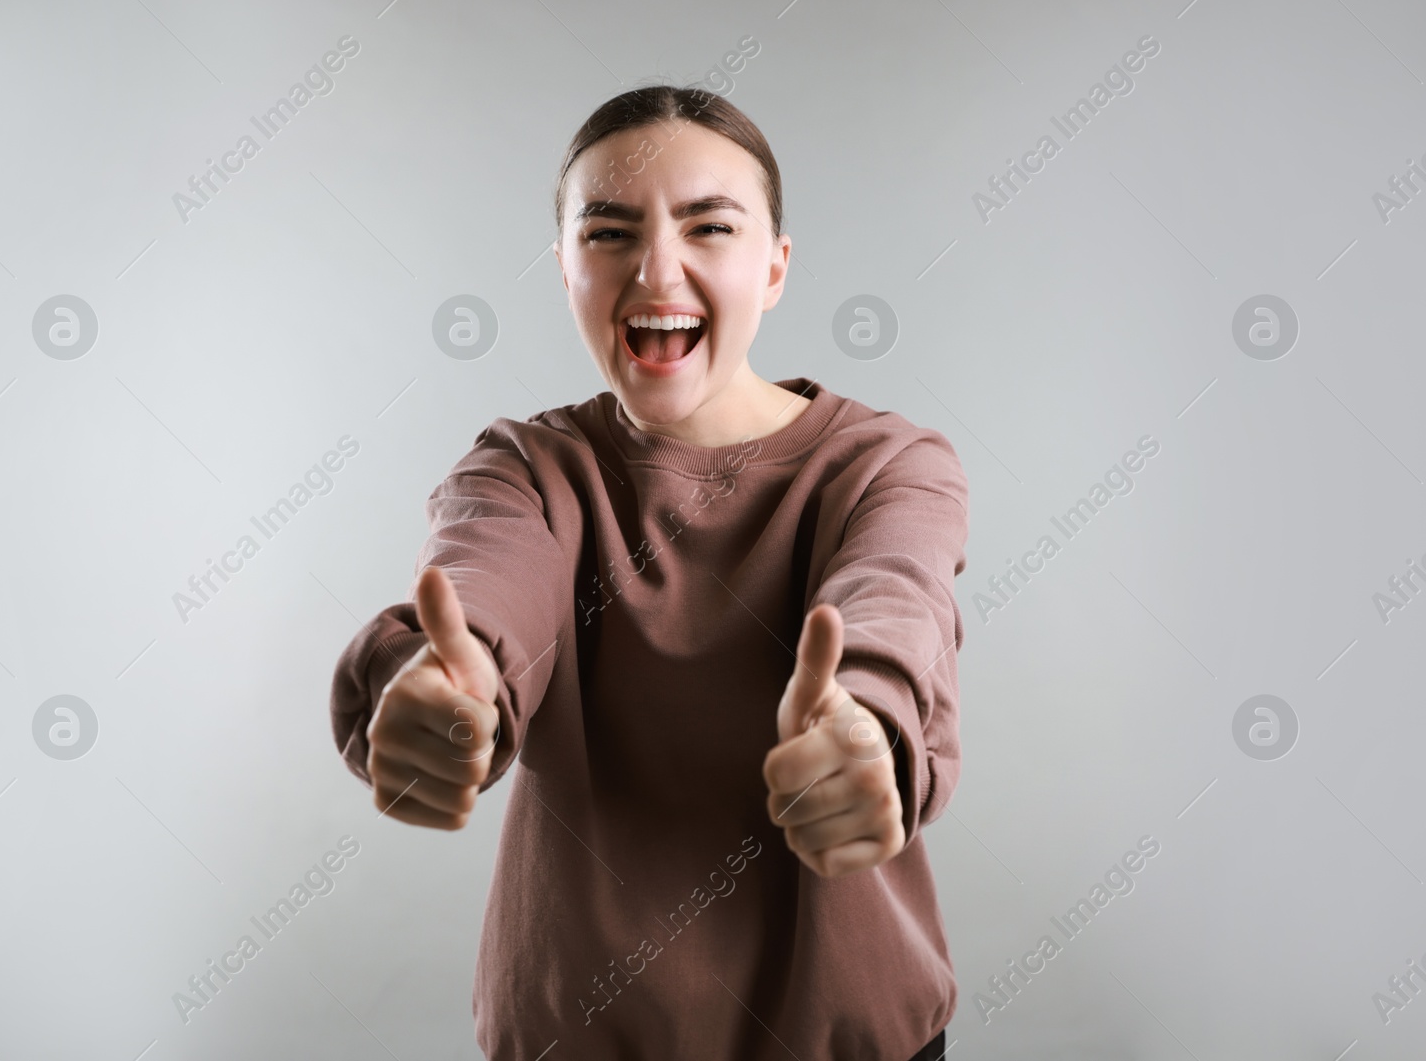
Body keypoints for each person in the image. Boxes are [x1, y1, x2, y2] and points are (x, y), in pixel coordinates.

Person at [329, 84, 967, 1061]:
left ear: (775, 267)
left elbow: (895, 598)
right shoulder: (524, 469)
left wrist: (871, 724)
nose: (655, 269)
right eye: (609, 233)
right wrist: (433, 685)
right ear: (565, 270)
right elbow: (482, 588)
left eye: (709, 227)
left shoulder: (886, 464)